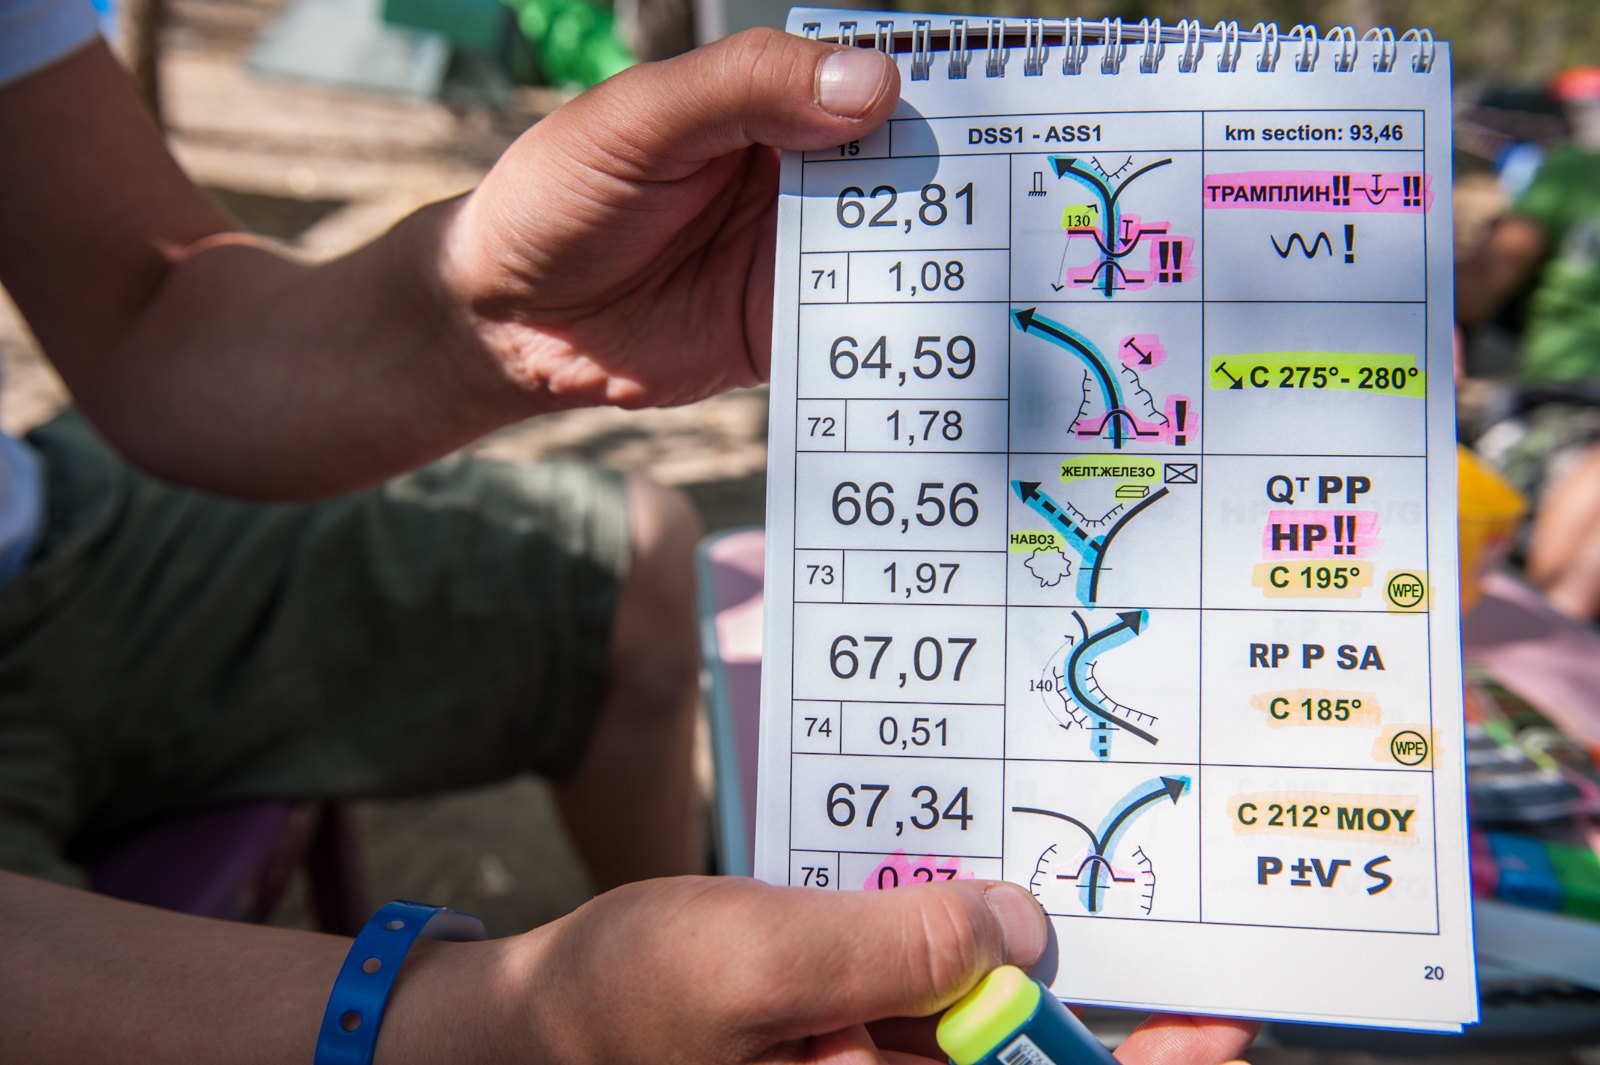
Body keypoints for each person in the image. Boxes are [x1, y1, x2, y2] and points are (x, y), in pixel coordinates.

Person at [0, 3, 1259, 1061]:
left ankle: (713, 961)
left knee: (634, 558)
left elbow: (145, 300)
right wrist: (492, 1027)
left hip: (60, 533)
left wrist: (491, 321)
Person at [1458, 66, 1600, 621]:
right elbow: (1479, 285)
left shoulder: (1571, 171)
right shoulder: (1575, 171)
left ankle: (1554, 641)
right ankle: (1554, 638)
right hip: (1564, 400)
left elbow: (1481, 282)